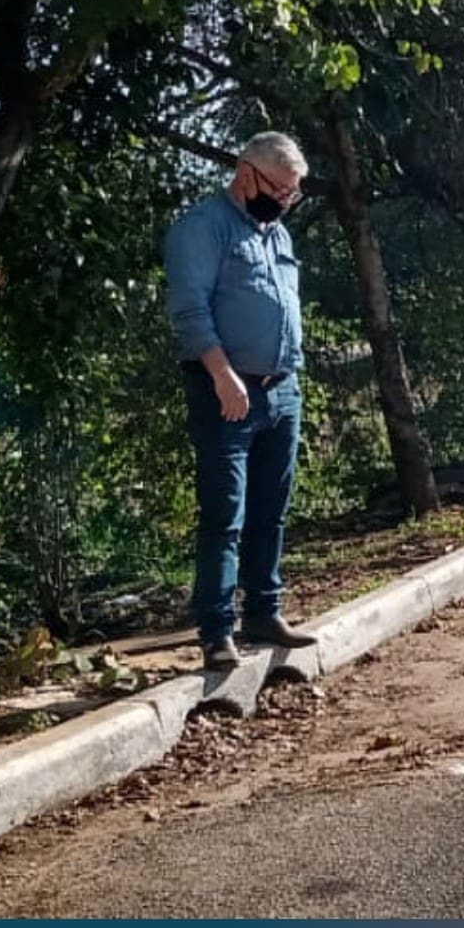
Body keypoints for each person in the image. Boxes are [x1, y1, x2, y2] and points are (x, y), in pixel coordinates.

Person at [165, 131, 316, 672]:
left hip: (282, 391)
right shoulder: (202, 229)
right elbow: (190, 312)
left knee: (270, 512)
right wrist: (224, 376)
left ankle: (264, 612)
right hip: (226, 391)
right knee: (225, 513)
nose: (283, 202)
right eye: (278, 190)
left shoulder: (276, 235)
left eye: (292, 194)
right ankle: (215, 629)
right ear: (245, 172)